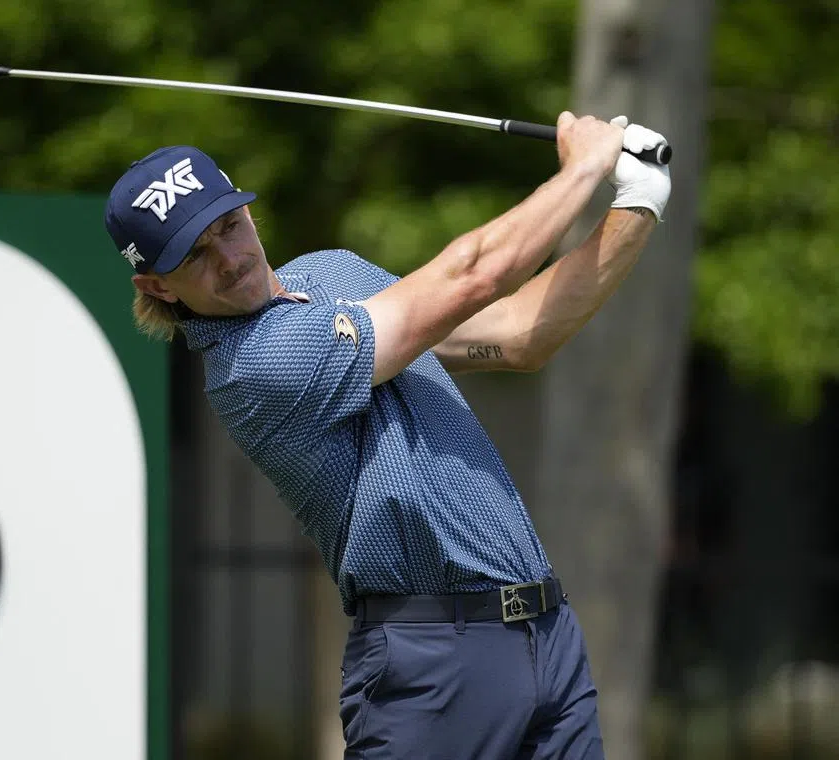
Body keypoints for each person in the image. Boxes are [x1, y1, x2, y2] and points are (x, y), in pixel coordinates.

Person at [104, 111, 671, 759]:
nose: (230, 260)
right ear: (157, 285)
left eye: (229, 227)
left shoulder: (333, 273)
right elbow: (473, 276)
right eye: (195, 256)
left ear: (248, 213)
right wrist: (586, 167)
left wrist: (638, 200)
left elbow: (519, 334)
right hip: (432, 662)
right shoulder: (254, 364)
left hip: (548, 635)